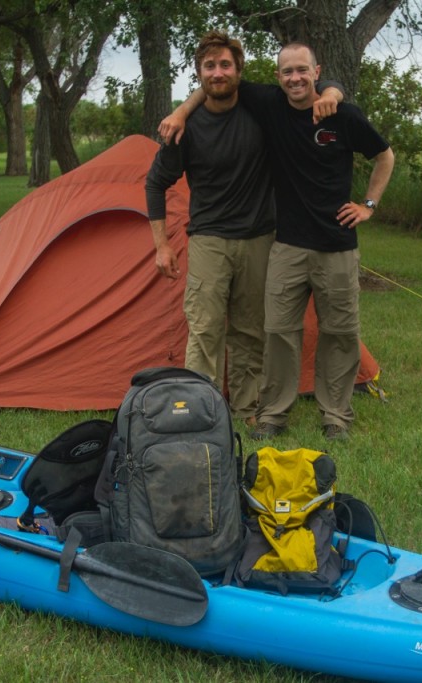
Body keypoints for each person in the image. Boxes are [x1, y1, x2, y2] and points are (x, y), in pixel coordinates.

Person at [162, 42, 394, 441]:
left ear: (316, 71)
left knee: (339, 332)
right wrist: (182, 110)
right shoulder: (270, 105)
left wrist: (368, 204)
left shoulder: (342, 115)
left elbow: (385, 156)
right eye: (287, 72)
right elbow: (218, 82)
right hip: (285, 243)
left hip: (338, 244)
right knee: (278, 334)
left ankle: (335, 415)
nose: (295, 78)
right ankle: (273, 414)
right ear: (277, 77)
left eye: (302, 70)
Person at [146, 31, 343, 423]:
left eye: (225, 65)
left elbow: (308, 88)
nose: (218, 73)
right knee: (204, 330)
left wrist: (332, 92)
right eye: (209, 66)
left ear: (239, 70)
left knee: (251, 332)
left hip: (259, 238)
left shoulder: (263, 109)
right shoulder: (185, 127)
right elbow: (155, 183)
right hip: (208, 239)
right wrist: (161, 246)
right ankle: (201, 411)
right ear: (199, 73)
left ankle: (247, 407)